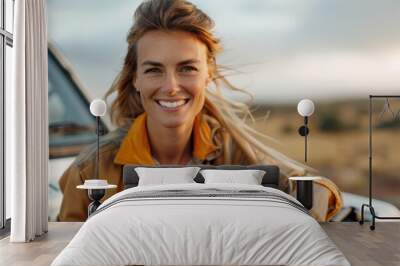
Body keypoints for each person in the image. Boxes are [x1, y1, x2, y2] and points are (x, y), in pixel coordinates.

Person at [58, 0, 342, 222]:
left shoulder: (233, 149)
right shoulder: (90, 170)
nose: (171, 87)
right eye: (154, 70)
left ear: (209, 73)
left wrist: (307, 210)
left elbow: (317, 189)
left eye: (187, 68)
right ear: (135, 78)